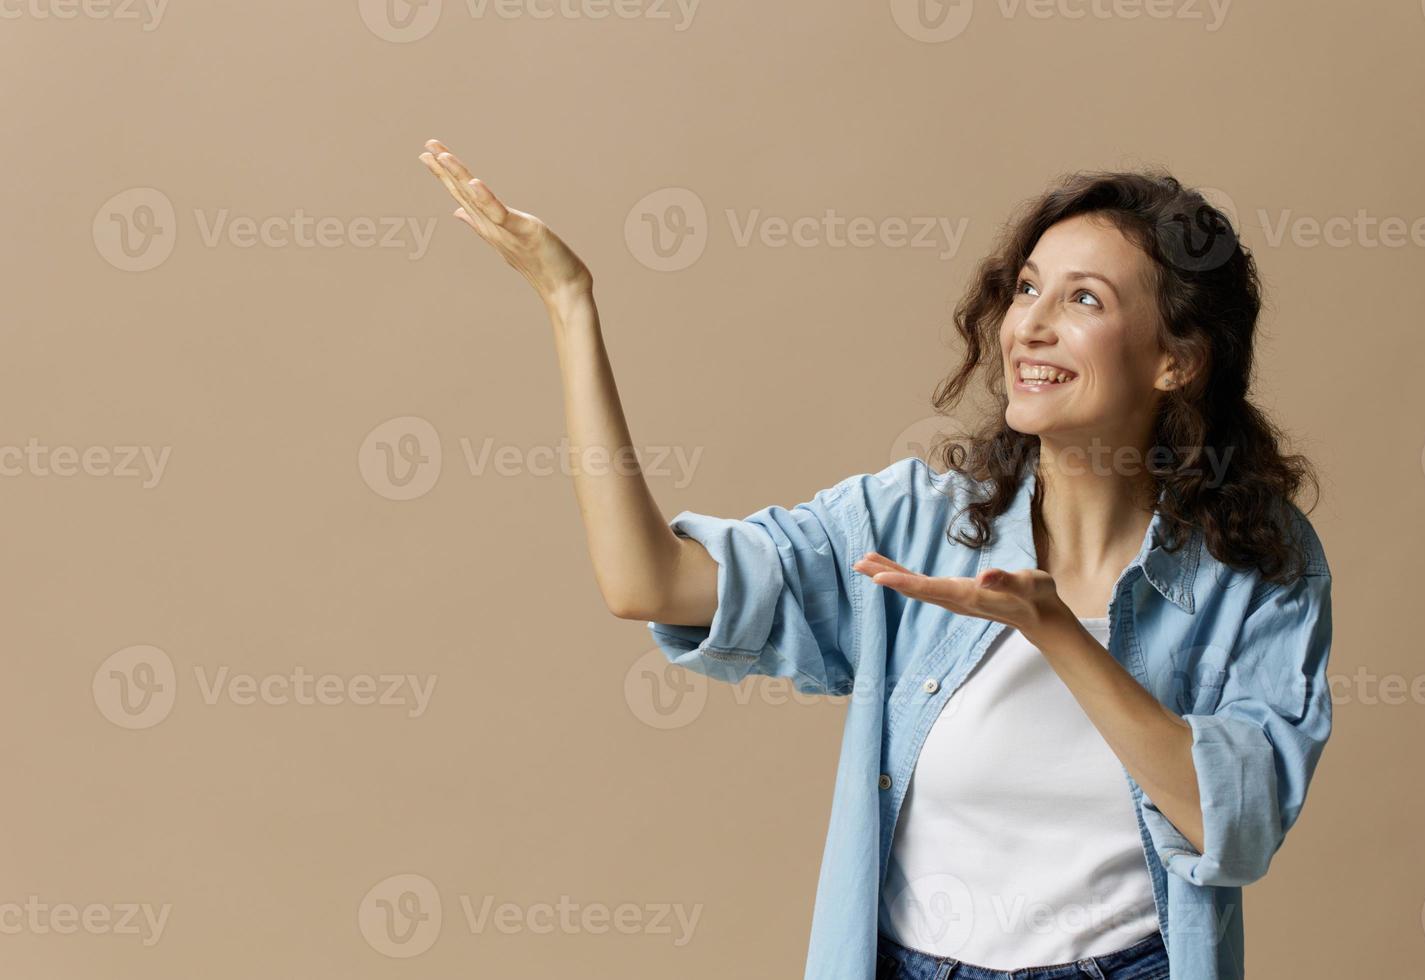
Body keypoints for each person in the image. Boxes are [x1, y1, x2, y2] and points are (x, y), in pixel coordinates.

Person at [417, 142, 1333, 980]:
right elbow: (648, 582)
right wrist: (570, 307)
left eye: (1083, 299)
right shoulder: (914, 520)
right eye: (1025, 289)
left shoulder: (1255, 565)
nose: (1030, 327)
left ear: (1177, 360)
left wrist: (1056, 632)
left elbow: (1231, 826)